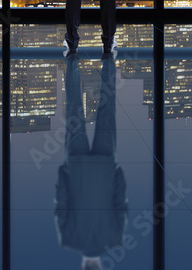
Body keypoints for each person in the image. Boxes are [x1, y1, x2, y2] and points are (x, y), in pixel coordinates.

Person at [54, 55, 128, 265]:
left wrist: (117, 173)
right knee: (74, 107)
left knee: (107, 106)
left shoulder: (114, 239)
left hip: (105, 167)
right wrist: (63, 173)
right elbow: (62, 202)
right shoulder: (69, 239)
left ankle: (108, 58)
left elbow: (120, 202)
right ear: (83, 267)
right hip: (77, 167)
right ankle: (72, 58)